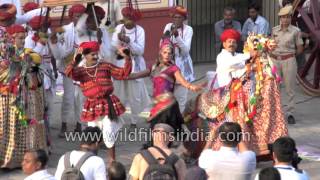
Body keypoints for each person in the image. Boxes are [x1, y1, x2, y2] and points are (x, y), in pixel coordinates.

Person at [197, 29, 288, 155]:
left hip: (235, 91)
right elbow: (235, 64)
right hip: (223, 95)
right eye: (229, 42)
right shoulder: (222, 57)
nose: (232, 44)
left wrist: (255, 63)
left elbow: (242, 71)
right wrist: (250, 55)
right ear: (223, 44)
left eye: (234, 42)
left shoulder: (237, 56)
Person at [65, 41, 132, 164]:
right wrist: (75, 61)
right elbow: (69, 73)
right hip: (92, 105)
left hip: (107, 104)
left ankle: (112, 162)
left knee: (108, 131)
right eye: (92, 54)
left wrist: (127, 58)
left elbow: (123, 73)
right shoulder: (80, 71)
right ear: (85, 56)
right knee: (92, 135)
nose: (95, 56)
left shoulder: (105, 66)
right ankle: (90, 161)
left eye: (96, 54)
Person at [128, 33, 202, 136]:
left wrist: (192, 86)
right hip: (157, 105)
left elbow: (183, 81)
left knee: (169, 133)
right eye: (165, 52)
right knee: (157, 133)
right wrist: (121, 73)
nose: (167, 55)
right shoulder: (153, 67)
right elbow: (135, 75)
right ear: (160, 53)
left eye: (169, 53)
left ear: (172, 55)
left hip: (169, 106)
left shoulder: (174, 68)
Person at [0, 24, 47, 168]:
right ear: (11, 39)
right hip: (7, 96)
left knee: (26, 127)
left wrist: (28, 67)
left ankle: (28, 159)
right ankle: (7, 159)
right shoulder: (3, 54)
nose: (22, 41)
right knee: (7, 128)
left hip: (25, 95)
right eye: (20, 38)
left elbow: (37, 73)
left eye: (23, 38)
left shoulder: (29, 53)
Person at [111, 4, 151, 128]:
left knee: (135, 96)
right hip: (120, 64)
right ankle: (119, 120)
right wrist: (118, 41)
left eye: (128, 17)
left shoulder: (140, 30)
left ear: (133, 19)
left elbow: (140, 51)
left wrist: (129, 41)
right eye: (124, 17)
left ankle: (134, 121)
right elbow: (113, 45)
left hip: (135, 66)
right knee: (119, 94)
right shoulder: (118, 28)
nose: (126, 19)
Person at [50, 4, 86, 137]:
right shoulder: (64, 30)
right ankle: (64, 124)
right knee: (69, 98)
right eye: (77, 16)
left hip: (82, 70)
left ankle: (79, 124)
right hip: (68, 69)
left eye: (82, 16)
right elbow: (57, 54)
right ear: (72, 17)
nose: (80, 19)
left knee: (80, 98)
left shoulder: (89, 31)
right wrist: (54, 43)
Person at [271, 5, 304, 124]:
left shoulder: (296, 31)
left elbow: (300, 48)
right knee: (275, 88)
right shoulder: (274, 30)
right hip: (274, 61)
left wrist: (291, 56)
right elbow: (270, 45)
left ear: (290, 18)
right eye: (283, 17)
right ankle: (276, 112)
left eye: (287, 17)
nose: (285, 20)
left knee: (290, 88)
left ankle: (290, 113)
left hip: (288, 60)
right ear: (280, 18)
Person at [162, 5, 194, 112]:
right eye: (174, 17)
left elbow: (185, 51)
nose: (176, 20)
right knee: (168, 98)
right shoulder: (168, 26)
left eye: (179, 17)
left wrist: (177, 37)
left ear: (184, 19)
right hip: (169, 65)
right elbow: (164, 44)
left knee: (181, 98)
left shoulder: (189, 29)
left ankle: (179, 123)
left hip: (183, 67)